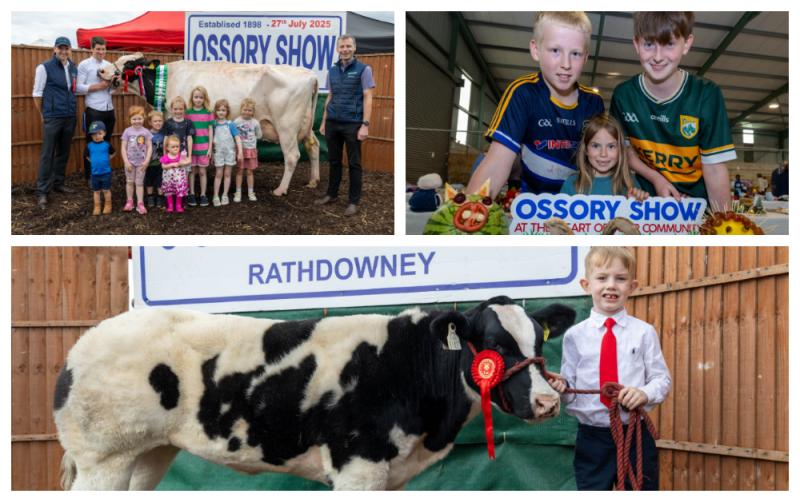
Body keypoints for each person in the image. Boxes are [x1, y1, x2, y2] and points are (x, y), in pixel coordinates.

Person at [549, 247, 671, 490]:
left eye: (621, 278)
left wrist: (644, 393)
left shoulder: (644, 332)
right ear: (586, 285)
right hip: (592, 438)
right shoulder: (574, 336)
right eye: (602, 278)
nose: (611, 285)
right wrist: (561, 387)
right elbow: (569, 390)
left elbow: (662, 380)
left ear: (632, 287)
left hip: (635, 434)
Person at [465, 12, 604, 198]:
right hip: (534, 204)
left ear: (586, 57)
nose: (566, 64)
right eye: (555, 50)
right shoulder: (523, 93)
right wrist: (470, 208)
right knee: (483, 159)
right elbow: (497, 162)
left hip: (578, 204)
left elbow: (601, 163)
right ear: (535, 50)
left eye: (576, 54)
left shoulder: (593, 102)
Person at [610, 12, 736, 212]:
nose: (658, 57)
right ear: (636, 44)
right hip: (645, 207)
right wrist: (656, 178)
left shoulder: (706, 95)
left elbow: (714, 168)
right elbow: (625, 152)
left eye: (669, 44)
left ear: (686, 44)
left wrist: (725, 224)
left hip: (696, 209)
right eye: (648, 44)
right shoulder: (623, 96)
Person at [315, 34, 376, 216]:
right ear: (337, 49)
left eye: (348, 46)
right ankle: (331, 194)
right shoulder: (332, 71)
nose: (345, 49)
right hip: (333, 122)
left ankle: (353, 201)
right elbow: (330, 96)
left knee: (354, 164)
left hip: (353, 124)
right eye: (342, 46)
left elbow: (368, 97)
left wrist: (365, 124)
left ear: (354, 48)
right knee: (334, 161)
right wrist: (324, 121)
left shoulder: (364, 69)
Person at [32, 36, 79, 210]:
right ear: (55, 49)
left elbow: (74, 89)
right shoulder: (44, 67)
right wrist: (43, 114)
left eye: (66, 48)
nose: (64, 51)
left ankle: (58, 183)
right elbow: (37, 93)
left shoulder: (73, 67)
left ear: (70, 50)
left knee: (63, 152)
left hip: (69, 116)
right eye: (61, 48)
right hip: (53, 117)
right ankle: (42, 192)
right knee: (47, 154)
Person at [560, 114, 648, 201]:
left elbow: (638, 207)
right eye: (596, 146)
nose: (603, 154)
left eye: (611, 146)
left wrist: (636, 201)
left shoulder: (630, 183)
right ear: (586, 149)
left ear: (620, 150)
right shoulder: (572, 184)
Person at [77, 36, 115, 182]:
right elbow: (78, 88)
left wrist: (115, 85)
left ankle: (104, 174)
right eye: (98, 49)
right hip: (94, 110)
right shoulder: (84, 65)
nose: (101, 52)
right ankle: (90, 177)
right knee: (91, 145)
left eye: (103, 49)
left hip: (109, 109)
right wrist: (99, 86)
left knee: (106, 143)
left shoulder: (109, 65)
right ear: (92, 49)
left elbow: (110, 90)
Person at [120, 106, 153, 214]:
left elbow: (149, 147)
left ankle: (140, 203)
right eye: (134, 119)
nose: (137, 121)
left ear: (143, 118)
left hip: (141, 164)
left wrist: (147, 161)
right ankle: (129, 202)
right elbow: (123, 147)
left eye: (139, 118)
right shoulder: (127, 131)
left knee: (139, 183)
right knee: (129, 182)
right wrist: (126, 161)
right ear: (130, 119)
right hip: (129, 163)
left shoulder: (146, 132)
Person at [163, 96, 195, 207]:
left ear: (184, 109)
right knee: (171, 176)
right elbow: (166, 139)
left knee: (183, 177)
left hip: (183, 155)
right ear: (171, 109)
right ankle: (171, 200)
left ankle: (182, 199)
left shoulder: (188, 123)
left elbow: (190, 139)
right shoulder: (168, 123)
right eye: (175, 109)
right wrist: (165, 156)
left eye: (180, 109)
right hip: (171, 156)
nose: (178, 111)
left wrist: (189, 156)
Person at [210, 99, 242, 207]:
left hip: (229, 153)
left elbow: (237, 138)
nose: (221, 112)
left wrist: (240, 152)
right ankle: (215, 195)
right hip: (218, 153)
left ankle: (225, 194)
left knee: (227, 174)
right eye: (219, 110)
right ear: (215, 111)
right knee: (218, 174)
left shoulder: (230, 124)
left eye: (223, 110)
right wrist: (212, 153)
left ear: (227, 111)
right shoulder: (214, 124)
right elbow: (211, 140)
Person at [186, 86, 214, 207]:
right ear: (192, 98)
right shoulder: (188, 113)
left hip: (204, 148)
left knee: (202, 172)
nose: (198, 99)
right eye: (196, 97)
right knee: (192, 171)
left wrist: (210, 148)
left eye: (201, 97)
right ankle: (191, 193)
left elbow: (211, 130)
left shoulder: (208, 113)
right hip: (191, 149)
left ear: (204, 99)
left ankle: (203, 195)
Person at [83, 121, 116, 216]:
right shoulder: (89, 146)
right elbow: (86, 156)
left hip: (106, 173)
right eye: (94, 134)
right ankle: (97, 206)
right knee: (96, 191)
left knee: (106, 190)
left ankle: (108, 205)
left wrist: (106, 159)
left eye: (99, 133)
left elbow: (113, 152)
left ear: (104, 133)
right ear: (91, 135)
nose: (96, 136)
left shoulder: (107, 145)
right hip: (94, 174)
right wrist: (93, 161)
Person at [233, 98, 262, 202]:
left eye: (250, 110)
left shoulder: (255, 123)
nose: (247, 112)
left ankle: (251, 192)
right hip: (240, 151)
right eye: (245, 109)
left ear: (253, 112)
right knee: (239, 171)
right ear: (241, 110)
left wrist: (251, 141)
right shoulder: (236, 122)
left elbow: (259, 135)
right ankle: (238, 192)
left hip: (251, 150)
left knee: (249, 172)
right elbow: (233, 135)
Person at [160, 135, 190, 213]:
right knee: (169, 192)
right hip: (169, 180)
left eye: (177, 146)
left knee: (179, 191)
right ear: (167, 148)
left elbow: (188, 161)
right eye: (173, 147)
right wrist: (172, 165)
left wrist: (182, 163)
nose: (176, 148)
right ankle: (170, 205)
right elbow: (163, 166)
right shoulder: (166, 157)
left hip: (179, 180)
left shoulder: (180, 156)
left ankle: (178, 205)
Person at [145, 110, 166, 208]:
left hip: (160, 163)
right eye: (155, 121)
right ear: (150, 122)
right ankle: (150, 197)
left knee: (160, 181)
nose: (158, 123)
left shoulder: (164, 134)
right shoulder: (147, 134)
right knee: (148, 181)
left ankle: (160, 197)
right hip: (149, 163)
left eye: (160, 121)